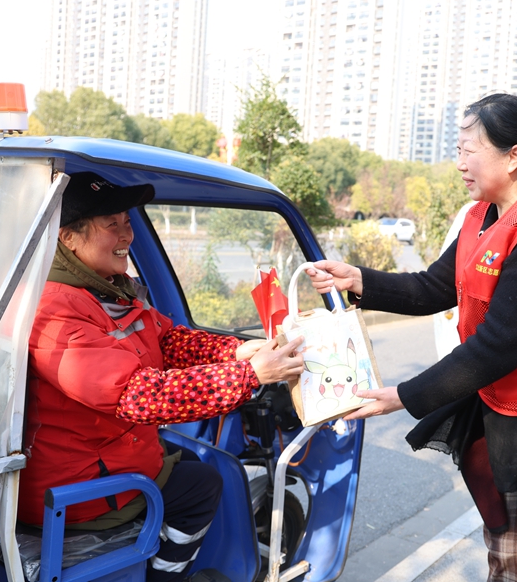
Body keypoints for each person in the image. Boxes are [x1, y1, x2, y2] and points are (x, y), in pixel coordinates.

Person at [306, 94, 517, 582]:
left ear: (514, 155)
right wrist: (359, 280)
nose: (459, 164)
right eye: (457, 150)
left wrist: (401, 396)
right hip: (506, 408)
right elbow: (435, 286)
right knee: (506, 555)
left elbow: (501, 343)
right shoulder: (481, 215)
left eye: (469, 150)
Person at [19, 171, 304, 582]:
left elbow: (170, 341)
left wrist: (238, 350)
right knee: (204, 484)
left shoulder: (107, 291)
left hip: (105, 456)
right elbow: (139, 396)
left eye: (127, 221)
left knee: (193, 462)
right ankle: (165, 577)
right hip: (75, 487)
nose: (126, 235)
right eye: (110, 225)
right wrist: (248, 376)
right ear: (68, 238)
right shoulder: (55, 312)